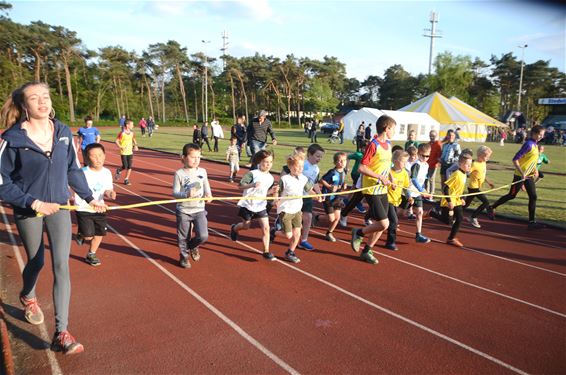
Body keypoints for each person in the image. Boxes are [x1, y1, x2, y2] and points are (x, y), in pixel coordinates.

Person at [0, 81, 107, 354]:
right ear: (24, 106)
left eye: (45, 96)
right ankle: (28, 295)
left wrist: (89, 197)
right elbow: (3, 182)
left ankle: (62, 332)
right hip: (28, 210)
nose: (42, 102)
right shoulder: (11, 140)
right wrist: (33, 202)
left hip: (59, 208)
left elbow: (73, 170)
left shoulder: (62, 133)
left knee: (62, 265)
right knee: (36, 260)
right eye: (34, 98)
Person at [351, 115, 396, 265]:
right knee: (384, 224)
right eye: (393, 129)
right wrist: (379, 177)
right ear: (386, 128)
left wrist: (391, 178)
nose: (394, 132)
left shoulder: (389, 145)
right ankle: (358, 232)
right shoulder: (373, 145)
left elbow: (387, 165)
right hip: (371, 188)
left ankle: (366, 251)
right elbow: (362, 167)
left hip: (382, 188)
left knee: (381, 224)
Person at [489, 125, 546, 229]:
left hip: (529, 176)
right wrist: (522, 173)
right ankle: (492, 207)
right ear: (534, 133)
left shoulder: (536, 145)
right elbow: (515, 159)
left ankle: (531, 222)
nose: (541, 136)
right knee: (512, 195)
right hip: (520, 175)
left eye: (543, 135)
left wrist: (535, 170)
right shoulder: (528, 144)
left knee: (533, 197)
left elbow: (532, 161)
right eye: (540, 134)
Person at [230, 150, 279, 260]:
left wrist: (272, 191)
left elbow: (264, 192)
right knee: (246, 226)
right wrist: (252, 185)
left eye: (270, 162)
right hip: (248, 205)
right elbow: (240, 186)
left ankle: (266, 251)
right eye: (266, 162)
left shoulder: (271, 178)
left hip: (261, 205)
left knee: (266, 228)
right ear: (259, 162)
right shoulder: (252, 174)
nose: (268, 164)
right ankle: (234, 228)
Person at [74, 143, 116, 266]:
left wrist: (110, 194)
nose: (98, 159)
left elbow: (107, 189)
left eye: (100, 155)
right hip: (84, 208)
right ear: (87, 158)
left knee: (99, 234)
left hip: (100, 208)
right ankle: (82, 235)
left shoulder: (107, 172)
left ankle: (91, 254)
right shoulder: (81, 173)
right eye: (94, 156)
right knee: (88, 236)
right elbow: (74, 189)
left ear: (105, 155)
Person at [173, 143, 212, 269]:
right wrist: (186, 194)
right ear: (184, 157)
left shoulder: (203, 171)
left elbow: (206, 186)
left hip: (199, 209)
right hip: (183, 210)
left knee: (203, 235)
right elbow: (175, 193)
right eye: (193, 157)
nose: (196, 160)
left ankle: (193, 246)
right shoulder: (179, 173)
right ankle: (184, 257)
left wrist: (209, 195)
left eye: (199, 157)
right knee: (183, 237)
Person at [272, 154, 316, 263]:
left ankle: (290, 252)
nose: (300, 169)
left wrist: (316, 195)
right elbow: (277, 190)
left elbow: (308, 190)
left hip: (297, 209)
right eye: (297, 167)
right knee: (288, 235)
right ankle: (274, 232)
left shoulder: (303, 178)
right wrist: (275, 199)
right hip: (286, 209)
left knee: (297, 234)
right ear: (290, 167)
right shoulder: (285, 179)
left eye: (302, 167)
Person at [430, 153, 472, 247]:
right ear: (460, 164)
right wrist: (449, 201)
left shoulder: (464, 174)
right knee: (447, 221)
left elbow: (458, 188)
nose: (469, 167)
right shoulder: (456, 174)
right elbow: (445, 188)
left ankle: (451, 238)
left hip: (457, 200)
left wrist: (461, 198)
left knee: (459, 218)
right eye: (467, 164)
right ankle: (432, 213)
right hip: (449, 200)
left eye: (470, 165)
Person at [313, 152, 348, 242]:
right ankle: (317, 217)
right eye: (339, 161)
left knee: (337, 218)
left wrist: (344, 184)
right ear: (335, 162)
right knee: (331, 218)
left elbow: (341, 182)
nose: (342, 162)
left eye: (343, 160)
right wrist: (329, 187)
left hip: (337, 198)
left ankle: (329, 233)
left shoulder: (344, 172)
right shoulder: (332, 172)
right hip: (329, 197)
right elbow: (322, 180)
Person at [298, 143, 324, 251]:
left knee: (308, 218)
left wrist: (319, 193)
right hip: (297, 196)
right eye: (317, 156)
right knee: (297, 219)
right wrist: (312, 192)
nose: (319, 159)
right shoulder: (302, 165)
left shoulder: (316, 169)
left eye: (321, 157)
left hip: (307, 197)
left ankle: (303, 240)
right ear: (309, 154)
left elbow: (314, 182)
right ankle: (278, 226)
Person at [405, 143, 433, 243]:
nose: (425, 158)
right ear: (419, 154)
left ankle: (418, 234)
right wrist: (422, 190)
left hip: (417, 193)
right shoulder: (416, 164)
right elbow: (414, 179)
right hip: (409, 192)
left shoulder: (426, 165)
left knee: (420, 212)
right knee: (400, 212)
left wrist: (425, 190)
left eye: (428, 156)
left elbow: (422, 179)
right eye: (423, 156)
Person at [384, 150, 411, 251]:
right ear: (395, 161)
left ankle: (365, 231)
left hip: (396, 201)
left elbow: (406, 187)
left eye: (406, 162)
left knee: (387, 222)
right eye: (403, 162)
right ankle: (390, 242)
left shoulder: (404, 173)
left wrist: (409, 196)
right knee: (394, 221)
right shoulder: (388, 172)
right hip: (387, 200)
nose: (405, 164)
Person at [463, 146, 494, 229]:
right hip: (473, 187)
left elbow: (483, 174)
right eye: (486, 156)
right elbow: (467, 171)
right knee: (486, 202)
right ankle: (473, 217)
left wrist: (489, 182)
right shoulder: (474, 164)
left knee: (466, 204)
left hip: (476, 187)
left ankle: (454, 214)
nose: (488, 158)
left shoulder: (483, 163)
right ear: (480, 155)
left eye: (488, 156)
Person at [339, 141, 369, 227]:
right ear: (361, 148)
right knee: (357, 190)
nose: (366, 150)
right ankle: (358, 204)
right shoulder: (359, 155)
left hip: (365, 177)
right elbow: (347, 157)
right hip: (356, 174)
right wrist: (346, 167)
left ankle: (347, 200)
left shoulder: (370, 156)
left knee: (354, 188)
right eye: (365, 148)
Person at [114, 119, 138, 185]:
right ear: (127, 125)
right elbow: (116, 141)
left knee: (130, 166)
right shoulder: (122, 133)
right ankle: (119, 170)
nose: (133, 126)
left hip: (130, 152)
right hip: (123, 152)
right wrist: (120, 147)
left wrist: (136, 146)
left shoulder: (132, 133)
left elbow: (134, 140)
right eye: (132, 124)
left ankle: (126, 179)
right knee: (125, 166)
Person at [425, 130, 442, 199]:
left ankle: (431, 193)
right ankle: (426, 192)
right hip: (427, 164)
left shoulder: (438, 144)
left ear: (436, 136)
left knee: (431, 178)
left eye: (433, 136)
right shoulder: (429, 143)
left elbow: (439, 155)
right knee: (426, 178)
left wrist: (436, 162)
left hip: (433, 164)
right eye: (430, 136)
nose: (432, 137)